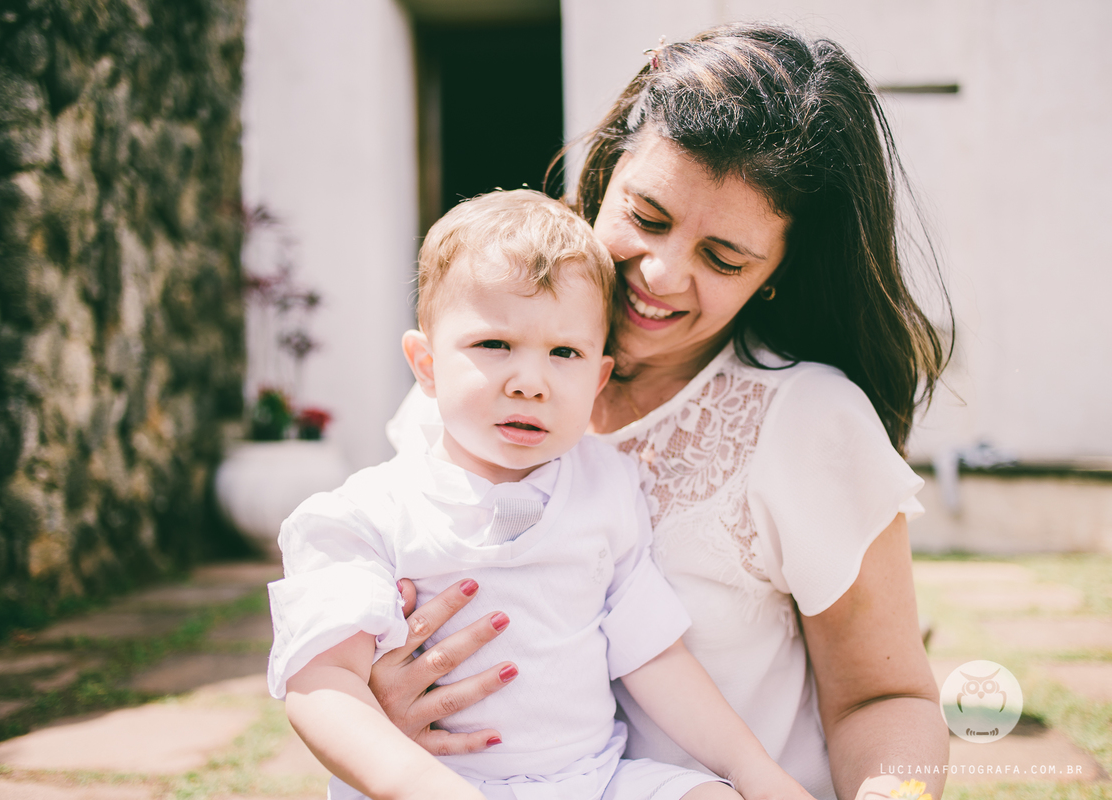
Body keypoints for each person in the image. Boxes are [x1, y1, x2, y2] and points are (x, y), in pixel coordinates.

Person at [371, 23, 952, 800]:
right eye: (646, 217)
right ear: (605, 174)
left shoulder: (809, 423)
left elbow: (886, 699)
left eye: (723, 258)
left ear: (777, 270)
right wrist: (384, 702)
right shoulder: (474, 384)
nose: (661, 273)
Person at [268, 190, 817, 800]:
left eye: (564, 353)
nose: (530, 382)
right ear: (425, 363)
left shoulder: (607, 486)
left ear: (599, 376)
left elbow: (652, 656)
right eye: (494, 345)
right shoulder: (365, 515)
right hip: (437, 784)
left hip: (593, 780)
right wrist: (422, 787)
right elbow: (322, 685)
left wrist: (753, 770)